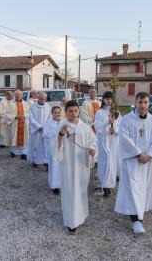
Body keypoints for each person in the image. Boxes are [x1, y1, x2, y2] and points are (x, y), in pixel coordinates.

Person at [114, 92, 152, 234]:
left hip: (147, 161)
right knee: (133, 189)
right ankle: (136, 220)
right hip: (132, 161)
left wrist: (149, 154)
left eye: (146, 102)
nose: (143, 105)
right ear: (135, 103)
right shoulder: (127, 120)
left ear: (149, 104)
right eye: (140, 102)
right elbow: (124, 138)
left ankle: (139, 213)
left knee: (144, 189)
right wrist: (138, 154)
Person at [51, 100, 96, 234]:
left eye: (75, 110)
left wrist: (92, 149)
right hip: (68, 165)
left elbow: (93, 141)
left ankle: (80, 216)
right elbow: (55, 145)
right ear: (66, 112)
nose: (73, 113)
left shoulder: (85, 127)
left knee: (81, 190)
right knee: (70, 192)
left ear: (79, 111)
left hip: (81, 165)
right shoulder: (62, 126)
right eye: (70, 111)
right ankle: (71, 221)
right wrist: (60, 134)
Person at [94, 91, 121, 197]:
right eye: (107, 99)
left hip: (113, 140)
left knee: (112, 162)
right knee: (104, 163)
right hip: (104, 141)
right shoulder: (99, 112)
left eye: (110, 99)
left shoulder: (116, 112)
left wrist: (116, 130)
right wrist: (107, 123)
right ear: (103, 99)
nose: (109, 100)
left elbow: (121, 125)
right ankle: (103, 184)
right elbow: (97, 126)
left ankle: (109, 184)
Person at [27, 92, 51, 167]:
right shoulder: (33, 107)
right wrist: (38, 127)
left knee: (45, 146)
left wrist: (45, 127)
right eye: (41, 99)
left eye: (44, 99)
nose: (42, 100)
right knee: (35, 145)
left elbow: (49, 118)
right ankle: (35, 161)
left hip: (45, 130)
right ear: (38, 98)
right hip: (36, 131)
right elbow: (31, 118)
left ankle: (45, 161)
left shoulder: (48, 106)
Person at [43, 106, 63, 194]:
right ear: (52, 114)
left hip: (62, 147)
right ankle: (54, 185)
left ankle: (62, 184)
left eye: (59, 112)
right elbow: (46, 135)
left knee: (61, 166)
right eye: (55, 113)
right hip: (52, 147)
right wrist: (57, 130)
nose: (57, 114)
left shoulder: (63, 122)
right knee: (54, 165)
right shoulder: (48, 123)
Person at [6, 90, 30, 159]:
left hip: (24, 123)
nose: (18, 96)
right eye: (17, 94)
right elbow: (7, 114)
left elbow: (29, 113)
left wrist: (24, 116)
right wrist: (15, 116)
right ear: (14, 95)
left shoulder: (26, 103)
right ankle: (13, 152)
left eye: (20, 94)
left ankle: (23, 153)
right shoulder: (10, 103)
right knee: (14, 137)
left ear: (22, 96)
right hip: (14, 123)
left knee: (25, 137)